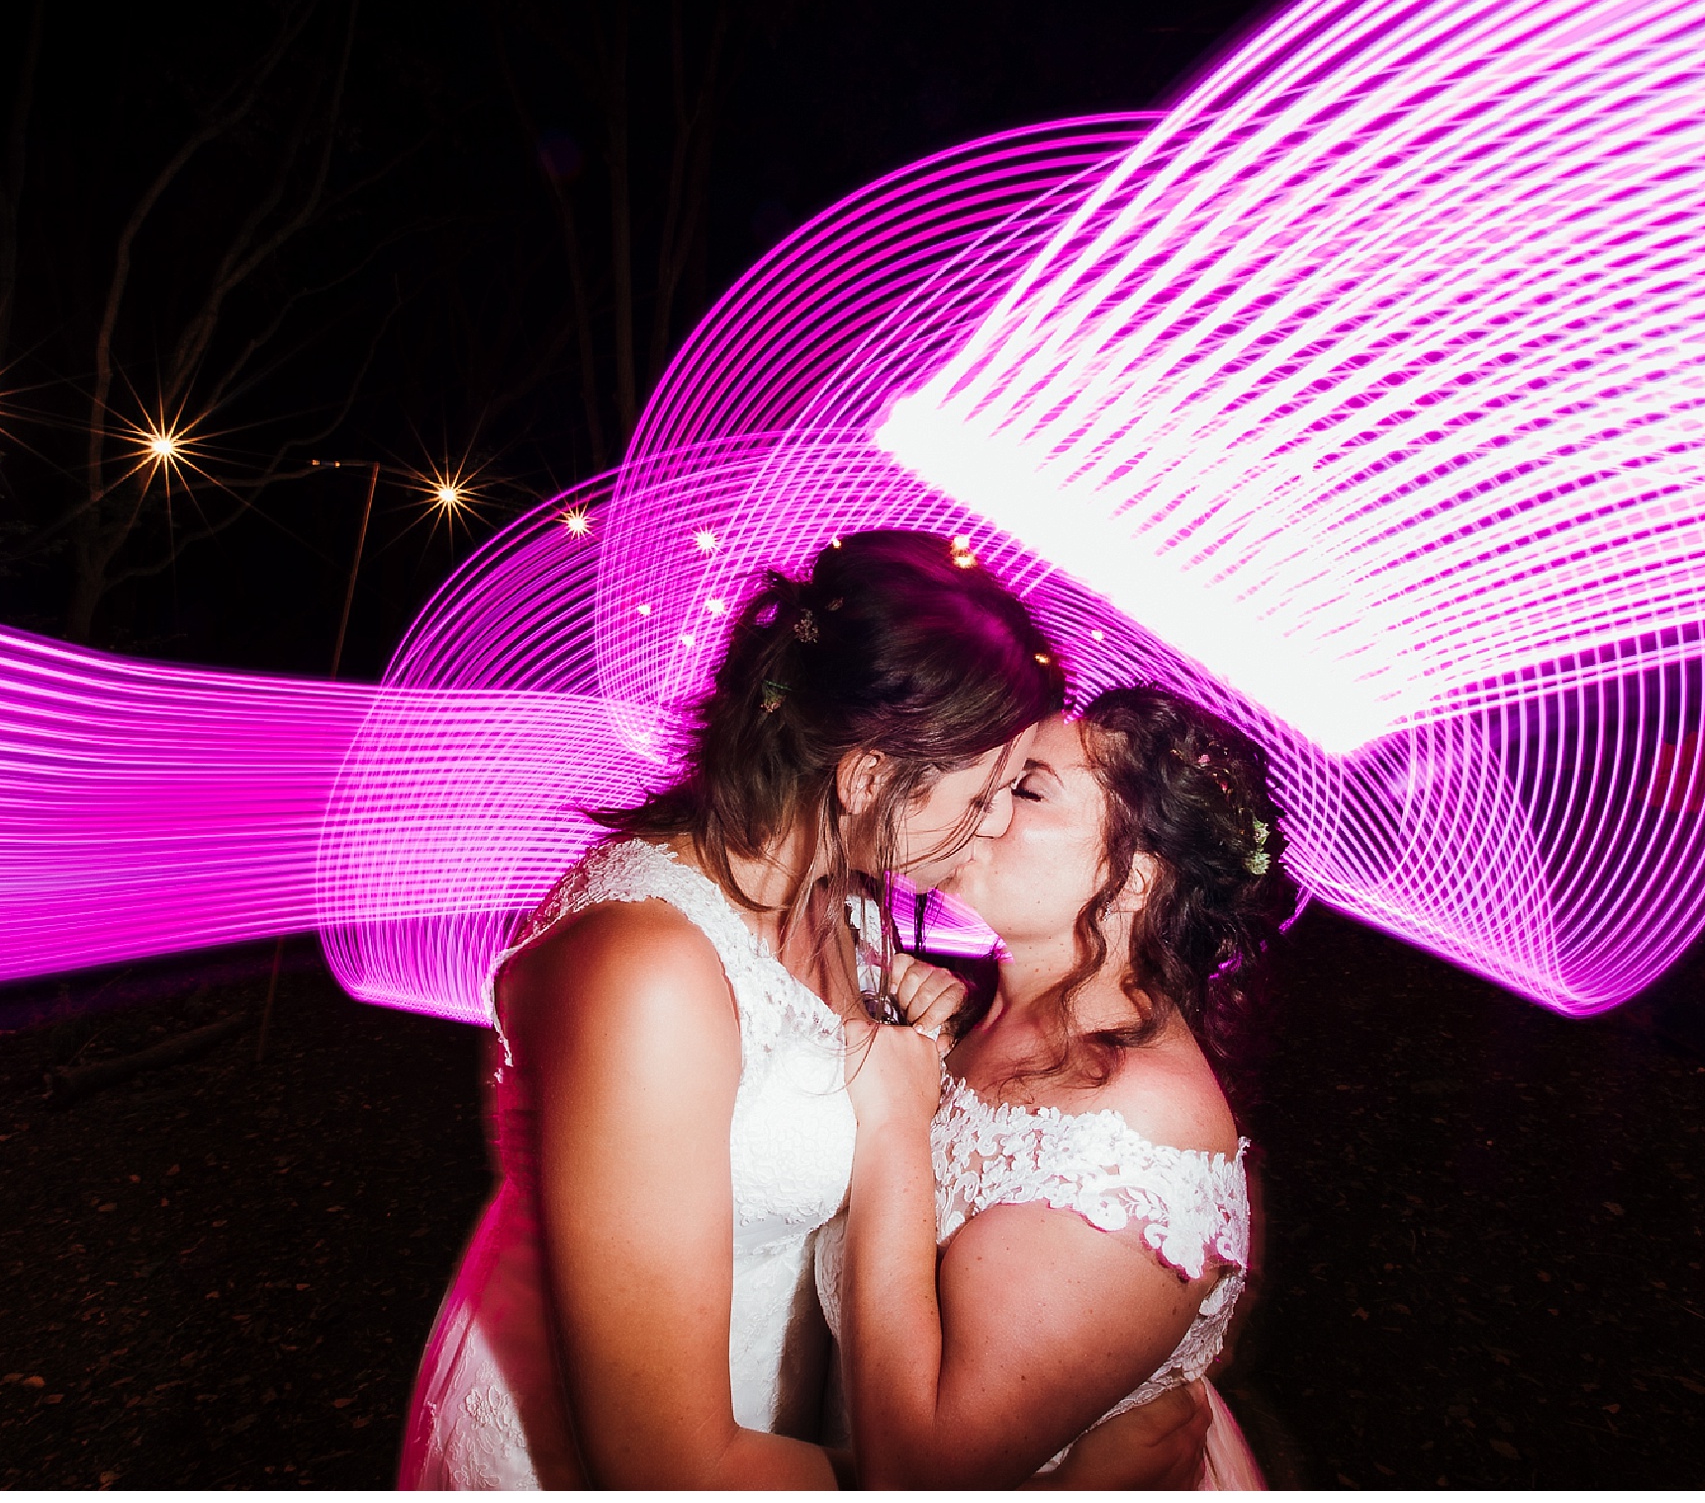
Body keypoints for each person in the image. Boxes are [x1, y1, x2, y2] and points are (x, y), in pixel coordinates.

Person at [398, 532, 1209, 1489]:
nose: (996, 824)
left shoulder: (838, 896)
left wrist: (917, 1039)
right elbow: (663, 1469)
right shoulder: (648, 977)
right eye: (987, 791)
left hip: (780, 1426)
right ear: (868, 778)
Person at [822, 684, 1293, 1489]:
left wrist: (893, 1127)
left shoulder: (1136, 1142)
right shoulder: (987, 1011)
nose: (983, 804)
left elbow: (920, 1472)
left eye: (1026, 789)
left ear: (1139, 874)